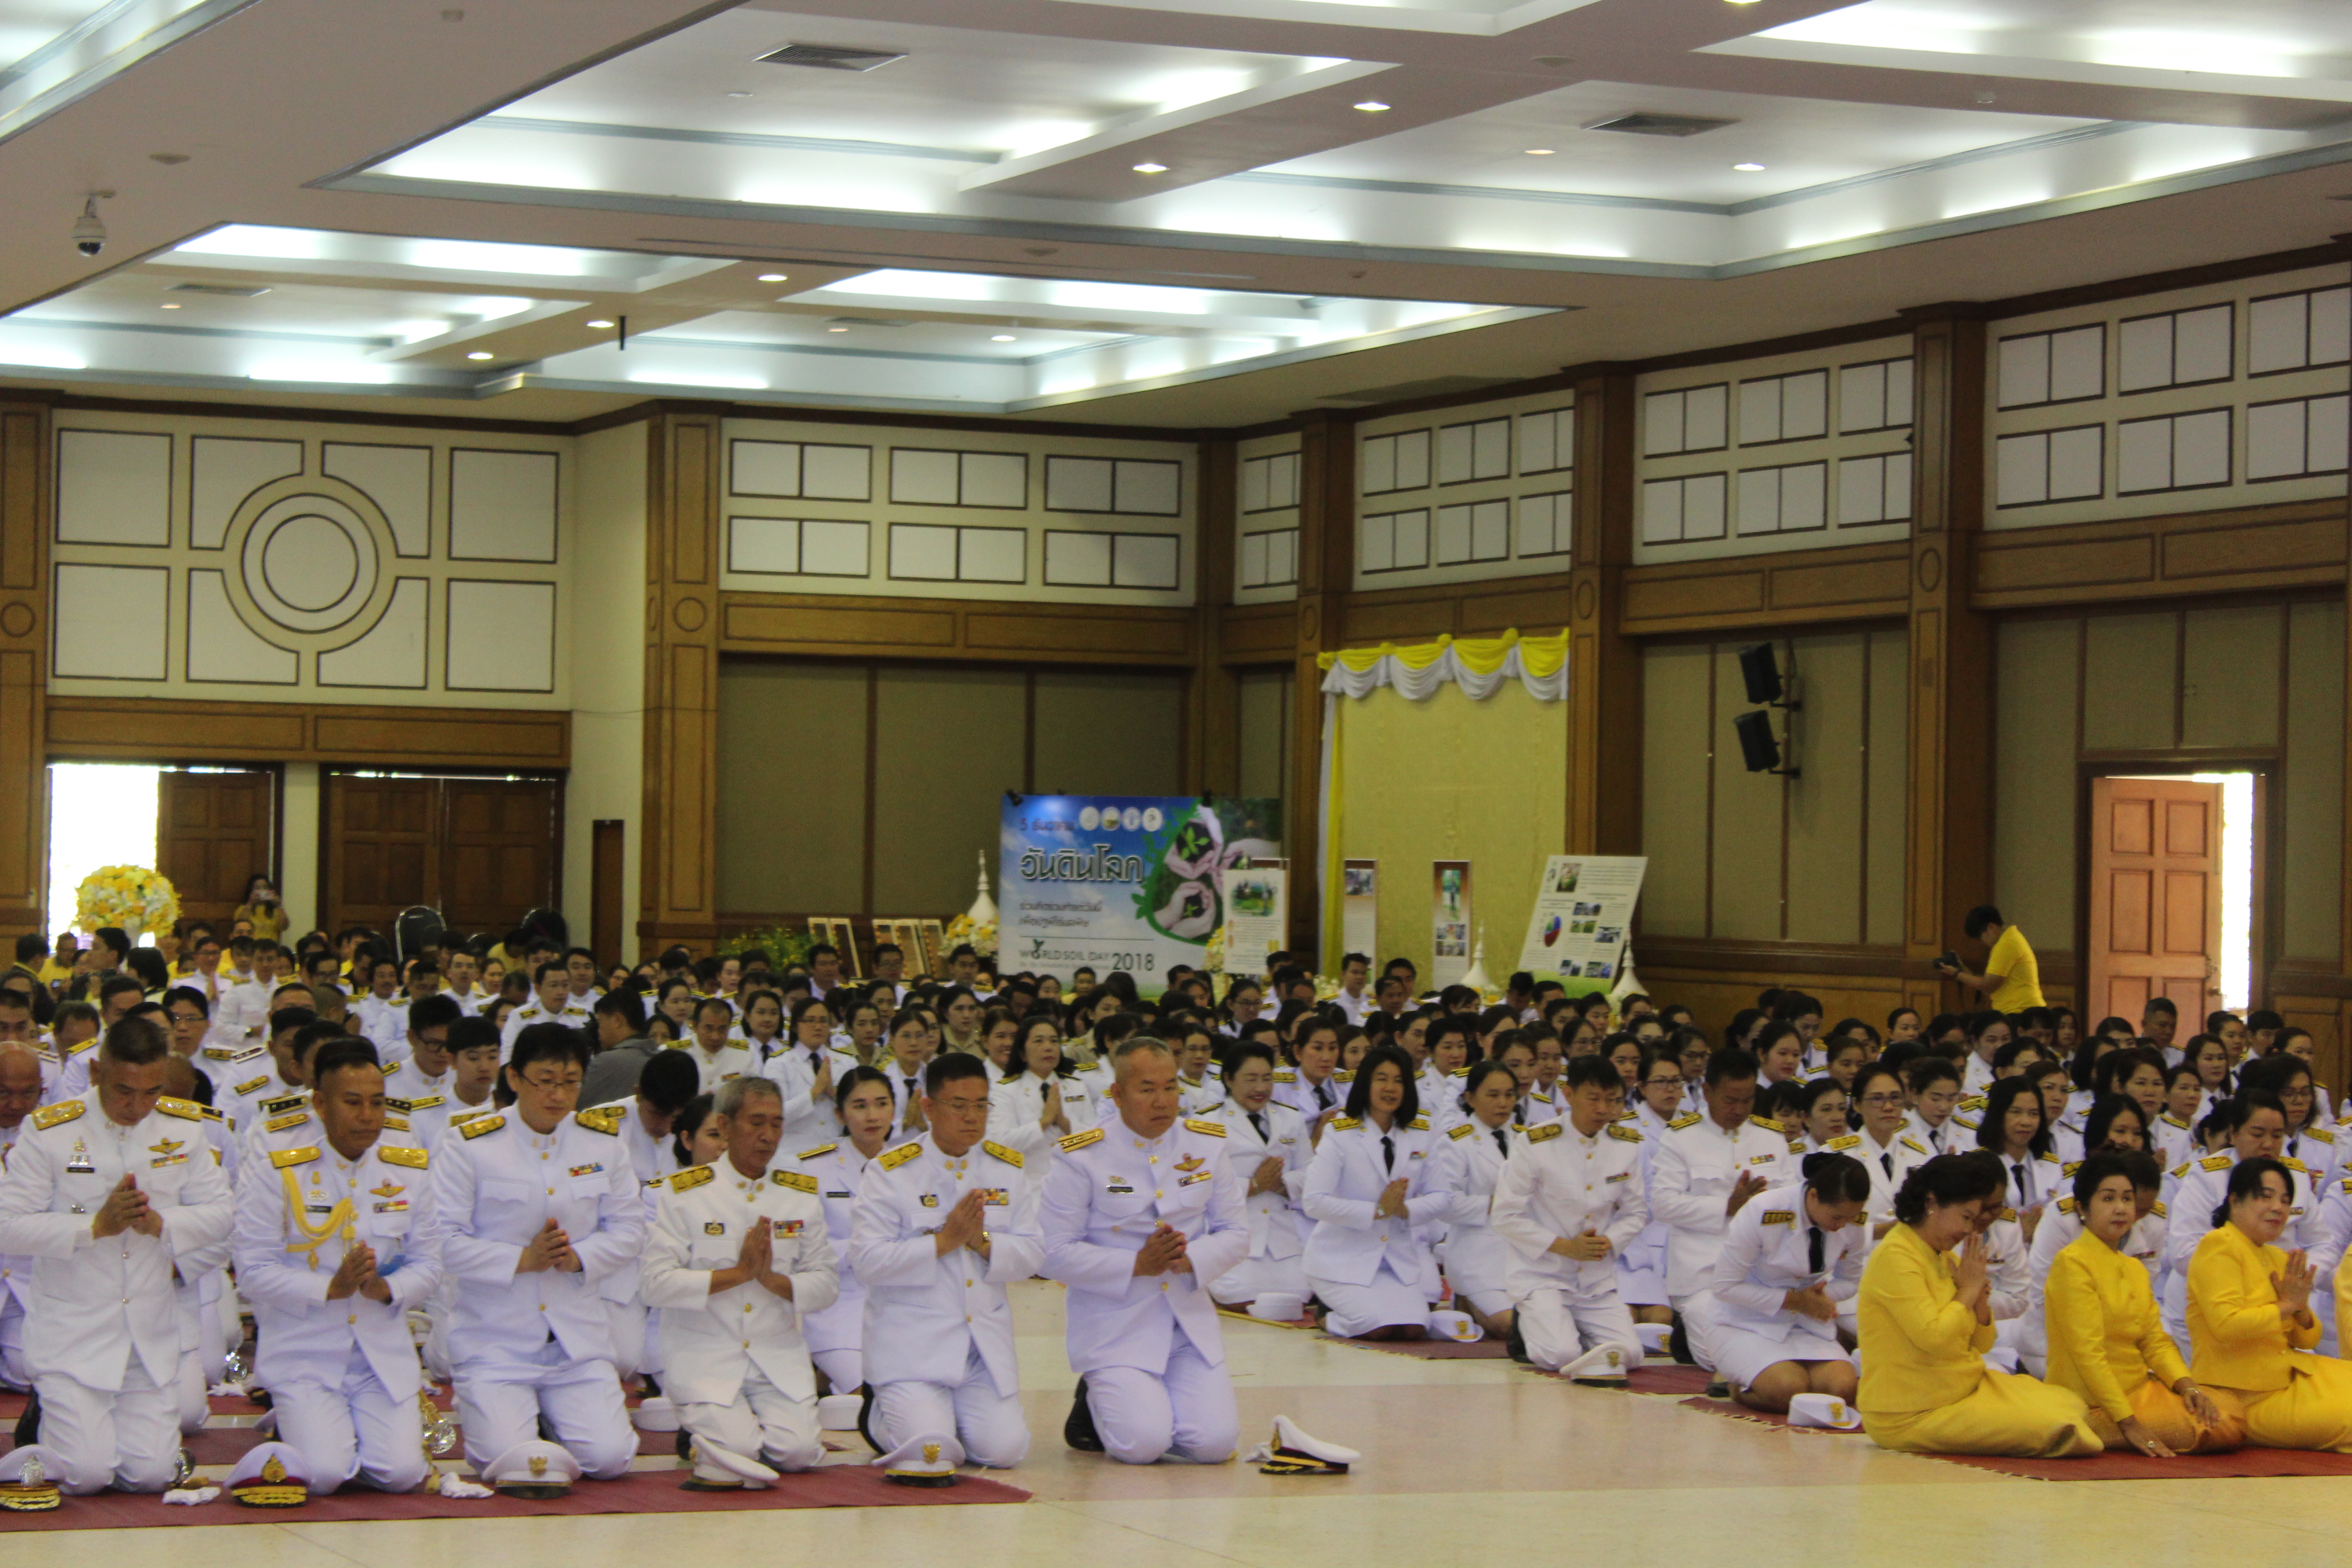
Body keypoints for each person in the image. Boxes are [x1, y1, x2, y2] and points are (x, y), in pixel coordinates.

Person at [0, 1016, 235, 1494]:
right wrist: (93, 1228)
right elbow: (8, 1226)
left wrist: (165, 1224)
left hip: (147, 1334)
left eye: (151, 1091)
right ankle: (43, 1417)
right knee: (85, 1476)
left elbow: (224, 1214)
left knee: (149, 1476)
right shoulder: (50, 1132)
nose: (137, 1106)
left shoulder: (182, 1130)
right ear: (96, 1073)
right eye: (124, 1090)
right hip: (74, 1332)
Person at [426, 1022, 646, 1481]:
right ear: (514, 1078)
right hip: (496, 1340)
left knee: (611, 1460)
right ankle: (524, 1418)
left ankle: (555, 1417)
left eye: (570, 1082)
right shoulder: (470, 1145)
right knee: (511, 1464)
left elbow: (629, 1230)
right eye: (545, 1081)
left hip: (574, 1341)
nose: (559, 1096)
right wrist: (521, 1260)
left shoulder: (602, 1141)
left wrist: (580, 1256)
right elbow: (441, 1242)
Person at [231, 1039, 440, 1493]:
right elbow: (250, 1270)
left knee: (401, 1475)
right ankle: (289, 1430)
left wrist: (389, 1289)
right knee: (324, 1475)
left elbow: (430, 1264)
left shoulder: (407, 1166)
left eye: (378, 1103)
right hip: (305, 1353)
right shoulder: (279, 1167)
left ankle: (333, 1434)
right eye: (353, 1103)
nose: (368, 1116)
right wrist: (330, 1288)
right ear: (320, 1104)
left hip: (378, 1357)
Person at [1044, 1037, 1248, 1466]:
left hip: (1185, 1323)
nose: (1163, 1101)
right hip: (1117, 1325)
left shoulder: (1206, 1145)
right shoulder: (1082, 1155)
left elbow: (1236, 1233)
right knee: (1142, 1445)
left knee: (1214, 1445)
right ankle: (1094, 1401)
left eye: (1171, 1088)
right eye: (1147, 1089)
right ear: (1117, 1094)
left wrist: (1190, 1258)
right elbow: (1051, 1251)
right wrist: (1136, 1264)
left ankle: (1133, 1400)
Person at [847, 1052, 1041, 1477]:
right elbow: (867, 1261)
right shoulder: (890, 1172)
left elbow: (1033, 1254)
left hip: (979, 1351)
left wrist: (983, 1242)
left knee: (1005, 1450)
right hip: (913, 1347)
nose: (973, 1117)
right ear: (929, 1107)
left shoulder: (1005, 1169)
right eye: (959, 1106)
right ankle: (880, 1412)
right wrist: (945, 1242)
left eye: (981, 1105)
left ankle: (941, 1414)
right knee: (931, 1453)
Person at [642, 1077, 838, 1485]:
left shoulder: (798, 1197)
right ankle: (708, 1434)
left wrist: (770, 1279)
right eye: (756, 1123)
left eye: (777, 1124)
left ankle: (723, 1433)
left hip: (775, 1357)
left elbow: (826, 1284)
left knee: (799, 1454)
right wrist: (739, 1275)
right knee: (739, 1452)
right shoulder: (684, 1194)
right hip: (707, 1356)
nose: (768, 1136)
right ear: (725, 1126)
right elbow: (656, 1284)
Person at [1855, 1154, 2102, 1456]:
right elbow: (1933, 1338)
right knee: (2059, 1425)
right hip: (1912, 1412)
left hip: (1963, 1388)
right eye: (1966, 1217)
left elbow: (1983, 1344)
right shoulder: (1896, 1255)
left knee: (2070, 1402)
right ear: (1932, 1203)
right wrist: (1968, 1291)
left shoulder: (1943, 1256)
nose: (1969, 1230)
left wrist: (1979, 1299)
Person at [2043, 1152, 2239, 1456]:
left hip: (2139, 1390)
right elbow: (2088, 1355)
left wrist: (2187, 1387)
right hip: (2094, 1402)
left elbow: (2154, 1341)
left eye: (2127, 1199)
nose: (2120, 1209)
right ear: (2082, 1208)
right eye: (2108, 1199)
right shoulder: (2072, 1263)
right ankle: (2091, 1428)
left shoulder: (2133, 1267)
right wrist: (2129, 1423)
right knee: (2222, 1424)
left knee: (2227, 1405)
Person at [1488, 1054, 1647, 1374]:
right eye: (1594, 1098)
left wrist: (1609, 1242)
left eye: (1612, 1100)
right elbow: (1505, 1215)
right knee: (1559, 1356)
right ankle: (1531, 1326)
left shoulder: (1626, 1145)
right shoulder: (1535, 1143)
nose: (1603, 1109)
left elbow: (1637, 1212)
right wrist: (1565, 1246)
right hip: (1543, 1274)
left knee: (1630, 1355)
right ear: (1569, 1094)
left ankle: (1568, 1329)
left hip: (1595, 1280)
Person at [1301, 1044, 1467, 1340]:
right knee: (1378, 1328)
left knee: (1416, 1329)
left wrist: (1405, 1210)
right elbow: (1314, 1202)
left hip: (1396, 1261)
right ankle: (1329, 1318)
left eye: (1399, 1080)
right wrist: (1377, 1211)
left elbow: (1442, 1196)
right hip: (1342, 1259)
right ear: (1366, 1083)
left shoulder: (1421, 1131)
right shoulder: (1340, 1132)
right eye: (1382, 1079)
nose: (1390, 1088)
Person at [2186, 1156, 2352, 1450]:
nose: (2279, 1207)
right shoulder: (2218, 1245)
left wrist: (2300, 1309)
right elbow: (2227, 1326)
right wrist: (2287, 1307)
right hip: (2243, 1396)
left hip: (2293, 1377)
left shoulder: (2278, 1257)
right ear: (2235, 1200)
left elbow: (2307, 1338)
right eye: (2267, 1197)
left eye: (2286, 1200)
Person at [1651, 1047, 1794, 1370]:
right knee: (1720, 1358)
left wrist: (1761, 1210)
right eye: (1731, 1100)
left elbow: (1790, 1205)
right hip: (1703, 1276)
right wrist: (1726, 1207)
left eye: (1748, 1100)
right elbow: (1663, 1205)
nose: (1739, 1109)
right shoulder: (1680, 1138)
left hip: (1761, 1273)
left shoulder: (1771, 1138)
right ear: (1707, 1091)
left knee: (1789, 1336)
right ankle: (1689, 1332)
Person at [1705, 1152, 1870, 1414]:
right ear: (1813, 1196)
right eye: (1837, 1217)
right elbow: (1725, 1287)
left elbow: (1850, 1281)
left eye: (1851, 1218)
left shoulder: (1850, 1221)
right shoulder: (1764, 1210)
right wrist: (1796, 1301)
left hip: (1807, 1323)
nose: (1842, 1226)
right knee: (1789, 1390)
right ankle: (1736, 1388)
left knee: (1843, 1390)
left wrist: (1820, 1297)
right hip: (1746, 1322)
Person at [788, 1066, 898, 1400]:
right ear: (840, 1113)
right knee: (871, 1395)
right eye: (859, 1106)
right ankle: (826, 1371)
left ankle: (825, 1380)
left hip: (900, 1304)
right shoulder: (811, 1167)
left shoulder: (912, 1165)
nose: (872, 1116)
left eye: (881, 1104)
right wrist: (867, 1250)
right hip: (838, 1303)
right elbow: (800, 1246)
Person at [987, 1016, 1100, 1166]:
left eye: (1054, 1041)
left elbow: (1094, 1139)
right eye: (1039, 1041)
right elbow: (1001, 1144)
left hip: (1072, 1176)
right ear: (1022, 1053)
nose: (1048, 1047)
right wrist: (1044, 1122)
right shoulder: (1005, 1090)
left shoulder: (1076, 1086)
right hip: (1029, 1181)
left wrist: (1064, 1122)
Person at [1939, 904, 2043, 1012]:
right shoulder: (2010, 939)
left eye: (1980, 937)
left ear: (1991, 928)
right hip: (2021, 1010)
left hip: (2020, 1011)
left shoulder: (2006, 944)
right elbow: (1987, 984)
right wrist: (1961, 969)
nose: (1982, 942)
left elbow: (1988, 986)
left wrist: (1957, 974)